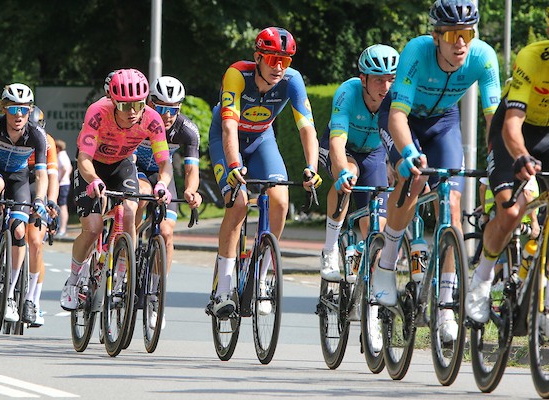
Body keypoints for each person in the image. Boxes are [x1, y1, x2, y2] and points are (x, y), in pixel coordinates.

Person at [372, 0, 501, 343]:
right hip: (404, 117)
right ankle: (386, 266)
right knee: (413, 177)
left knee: (454, 206)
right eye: (454, 35)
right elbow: (397, 116)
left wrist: (496, 162)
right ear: (436, 36)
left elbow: (495, 121)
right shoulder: (416, 51)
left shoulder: (483, 57)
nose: (461, 43)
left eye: (468, 34)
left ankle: (445, 307)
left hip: (444, 122)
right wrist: (410, 153)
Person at [208, 27, 322, 318]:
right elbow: (229, 126)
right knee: (239, 204)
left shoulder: (292, 81)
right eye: (272, 59)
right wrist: (233, 165)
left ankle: (260, 277)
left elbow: (307, 127)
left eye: (285, 61)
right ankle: (224, 286)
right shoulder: (237, 75)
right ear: (258, 57)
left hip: (261, 139)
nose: (279, 67)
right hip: (226, 140)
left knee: (281, 201)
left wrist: (312, 167)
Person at [60, 68, 173, 311]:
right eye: (124, 106)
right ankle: (73, 279)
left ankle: (123, 274)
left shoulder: (152, 119)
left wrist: (162, 184)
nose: (132, 112)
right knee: (93, 228)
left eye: (138, 104)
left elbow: (165, 163)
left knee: (131, 209)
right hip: (92, 167)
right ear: (113, 101)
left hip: (121, 165)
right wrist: (93, 180)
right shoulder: (98, 113)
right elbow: (84, 158)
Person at [465, 39, 549, 326]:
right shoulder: (532, 57)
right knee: (511, 212)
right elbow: (512, 126)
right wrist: (522, 156)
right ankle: (483, 278)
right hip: (512, 133)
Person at [319, 44, 400, 283]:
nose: (385, 88)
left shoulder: (396, 97)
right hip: (342, 148)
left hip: (373, 153)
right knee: (349, 173)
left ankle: (366, 299)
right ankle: (330, 249)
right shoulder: (348, 92)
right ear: (363, 79)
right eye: (378, 80)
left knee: (375, 231)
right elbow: (337, 141)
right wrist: (342, 171)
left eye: (390, 80)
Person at [0, 83, 49, 323]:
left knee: (19, 230)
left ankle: (10, 296)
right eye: (13, 109)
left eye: (24, 110)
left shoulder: (37, 135)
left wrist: (39, 199)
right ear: (4, 108)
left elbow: (42, 174)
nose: (19, 115)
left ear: (30, 111)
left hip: (18, 178)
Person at [134, 76, 202, 329]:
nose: (167, 115)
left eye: (173, 109)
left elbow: (191, 169)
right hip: (137, 172)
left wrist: (191, 191)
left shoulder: (187, 130)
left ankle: (155, 294)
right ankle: (125, 255)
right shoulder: (137, 121)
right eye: (161, 108)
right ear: (150, 104)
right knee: (139, 197)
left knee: (166, 232)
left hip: (164, 176)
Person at [23, 107, 60, 326]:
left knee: (36, 242)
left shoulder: (48, 142)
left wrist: (52, 202)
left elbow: (52, 177)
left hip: (39, 183)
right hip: (17, 180)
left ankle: (33, 301)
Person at [55, 139, 72, 236]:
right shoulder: (64, 156)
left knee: (62, 205)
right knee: (61, 205)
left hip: (62, 184)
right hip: (64, 183)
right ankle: (60, 227)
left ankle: (62, 228)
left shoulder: (61, 156)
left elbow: (66, 168)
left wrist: (60, 179)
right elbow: (70, 168)